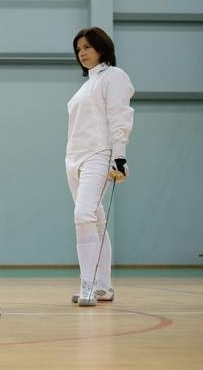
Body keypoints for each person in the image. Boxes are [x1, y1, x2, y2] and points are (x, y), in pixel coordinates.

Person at [66, 27, 135, 306]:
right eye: (79, 49)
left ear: (102, 49)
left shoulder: (114, 77)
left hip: (100, 154)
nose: (82, 53)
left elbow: (120, 116)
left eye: (88, 47)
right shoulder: (86, 85)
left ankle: (89, 285)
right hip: (74, 158)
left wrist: (119, 155)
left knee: (83, 214)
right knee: (95, 220)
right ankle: (104, 287)